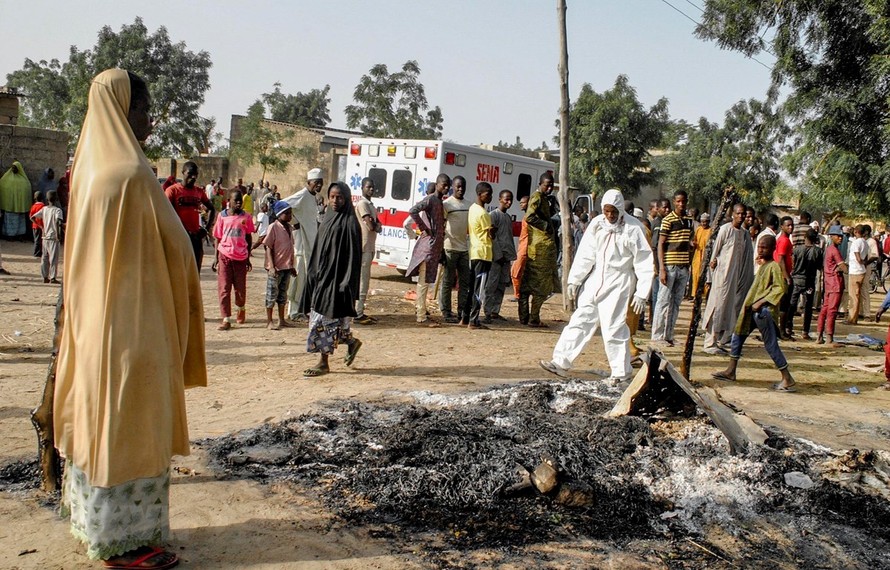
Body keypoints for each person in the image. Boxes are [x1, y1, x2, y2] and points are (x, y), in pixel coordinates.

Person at [54, 68, 206, 570]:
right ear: (123, 108)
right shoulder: (132, 175)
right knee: (132, 427)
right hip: (134, 325)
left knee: (97, 420)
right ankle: (130, 545)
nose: (148, 120)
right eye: (143, 109)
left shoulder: (88, 169)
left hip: (93, 325)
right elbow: (177, 247)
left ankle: (95, 527)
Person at [539, 189, 653, 383]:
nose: (610, 215)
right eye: (607, 211)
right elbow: (586, 253)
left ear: (620, 210)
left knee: (613, 326)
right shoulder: (597, 224)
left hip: (619, 280)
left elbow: (644, 260)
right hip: (596, 278)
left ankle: (621, 373)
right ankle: (561, 362)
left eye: (614, 211)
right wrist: (575, 279)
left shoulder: (633, 228)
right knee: (581, 319)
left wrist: (642, 292)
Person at [711, 234, 796, 391]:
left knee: (770, 344)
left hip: (763, 312)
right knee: (737, 336)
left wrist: (761, 302)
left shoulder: (774, 266)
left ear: (772, 249)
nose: (761, 250)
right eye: (759, 247)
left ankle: (787, 378)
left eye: (764, 248)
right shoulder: (763, 265)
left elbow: (779, 288)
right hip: (751, 310)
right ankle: (731, 370)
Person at [299, 182, 363, 377]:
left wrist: (347, 282)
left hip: (337, 282)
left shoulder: (350, 223)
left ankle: (323, 362)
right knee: (333, 320)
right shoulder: (328, 218)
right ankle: (351, 342)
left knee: (324, 320)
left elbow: (353, 257)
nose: (335, 201)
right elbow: (319, 249)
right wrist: (312, 274)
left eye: (340, 197)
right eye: (332, 197)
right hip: (322, 278)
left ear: (346, 199)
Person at [702, 203, 754, 354]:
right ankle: (709, 343)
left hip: (734, 278)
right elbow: (714, 255)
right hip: (721, 277)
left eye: (743, 214)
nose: (741, 216)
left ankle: (719, 340)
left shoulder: (743, 234)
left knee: (728, 310)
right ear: (733, 214)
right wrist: (710, 277)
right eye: (738, 213)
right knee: (716, 308)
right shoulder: (725, 229)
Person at [652, 190, 693, 346]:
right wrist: (662, 268)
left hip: (683, 267)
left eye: (683, 201)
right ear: (674, 202)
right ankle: (657, 336)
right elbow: (661, 244)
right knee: (663, 301)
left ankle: (669, 335)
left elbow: (688, 241)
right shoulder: (668, 220)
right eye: (678, 201)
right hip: (670, 266)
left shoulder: (689, 220)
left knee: (676, 303)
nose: (681, 204)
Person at [407, 173, 449, 325]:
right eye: (444, 185)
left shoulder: (439, 202)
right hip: (427, 247)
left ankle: (423, 311)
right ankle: (420, 315)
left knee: (428, 281)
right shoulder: (430, 199)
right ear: (437, 184)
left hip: (435, 247)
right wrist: (424, 227)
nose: (446, 188)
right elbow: (413, 210)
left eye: (448, 186)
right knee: (423, 282)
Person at [212, 189, 255, 330]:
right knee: (224, 288)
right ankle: (226, 318)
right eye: (235, 200)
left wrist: (248, 257)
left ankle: (241, 308)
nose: (238, 203)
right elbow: (217, 237)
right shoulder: (222, 216)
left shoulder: (246, 217)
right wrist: (215, 258)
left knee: (240, 289)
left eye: (240, 201)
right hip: (224, 256)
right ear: (229, 201)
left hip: (240, 257)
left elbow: (248, 237)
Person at [284, 169, 324, 321]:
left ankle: (301, 308)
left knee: (306, 278)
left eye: (321, 182)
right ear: (309, 182)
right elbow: (282, 205)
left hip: (310, 244)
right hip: (301, 244)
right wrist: (294, 222)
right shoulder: (302, 194)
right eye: (316, 182)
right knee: (298, 277)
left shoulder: (313, 198)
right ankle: (293, 311)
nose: (319, 185)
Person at [519, 172, 557, 327]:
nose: (549, 188)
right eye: (547, 185)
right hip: (540, 250)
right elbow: (529, 217)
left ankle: (524, 317)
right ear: (540, 184)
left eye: (551, 186)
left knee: (527, 284)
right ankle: (533, 318)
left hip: (538, 248)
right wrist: (545, 226)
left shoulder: (543, 198)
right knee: (541, 287)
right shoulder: (536, 197)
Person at [165, 161, 215, 270]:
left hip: (195, 237)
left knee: (195, 269)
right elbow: (164, 213)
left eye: (195, 174)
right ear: (183, 172)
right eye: (190, 173)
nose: (193, 177)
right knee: (178, 270)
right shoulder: (172, 191)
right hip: (178, 237)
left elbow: (211, 208)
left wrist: (206, 229)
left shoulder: (199, 192)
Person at [440, 175, 473, 324]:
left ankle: (462, 311)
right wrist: (441, 249)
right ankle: (446, 311)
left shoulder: (469, 205)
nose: (460, 189)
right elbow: (441, 227)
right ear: (453, 187)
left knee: (464, 283)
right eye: (458, 186)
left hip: (464, 249)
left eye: (463, 186)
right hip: (449, 248)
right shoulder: (446, 205)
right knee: (447, 281)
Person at [484, 189, 516, 322]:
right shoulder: (494, 215)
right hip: (496, 258)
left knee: (501, 285)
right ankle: (487, 311)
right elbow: (492, 237)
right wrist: (498, 255)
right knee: (491, 285)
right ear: (500, 199)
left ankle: (495, 311)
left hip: (506, 258)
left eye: (510, 199)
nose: (509, 202)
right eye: (506, 199)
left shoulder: (507, 217)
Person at [264, 200, 296, 330]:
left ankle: (281, 320)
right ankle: (269, 321)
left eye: (290, 213)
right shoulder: (273, 227)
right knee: (271, 294)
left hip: (286, 267)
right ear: (279, 214)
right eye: (287, 213)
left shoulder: (289, 228)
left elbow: (290, 248)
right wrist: (272, 266)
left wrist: (292, 266)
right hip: (276, 268)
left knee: (283, 295)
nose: (290, 216)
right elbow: (268, 247)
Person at [354, 177, 381, 325]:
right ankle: (358, 313)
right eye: (368, 187)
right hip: (364, 247)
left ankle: (360, 310)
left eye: (372, 187)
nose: (371, 189)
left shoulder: (370, 204)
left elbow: (376, 224)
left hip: (369, 246)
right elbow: (371, 226)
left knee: (365, 280)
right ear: (362, 188)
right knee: (362, 281)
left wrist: (376, 225)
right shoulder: (363, 204)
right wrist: (376, 225)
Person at [787, 228, 823, 339]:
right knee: (808, 306)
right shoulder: (818, 251)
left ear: (805, 237)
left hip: (797, 280)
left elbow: (792, 264)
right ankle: (805, 331)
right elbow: (819, 266)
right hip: (809, 282)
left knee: (792, 304)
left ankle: (788, 327)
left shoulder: (797, 250)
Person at [467, 182, 494, 329]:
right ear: (480, 194)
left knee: (472, 286)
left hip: (474, 251)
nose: (490, 197)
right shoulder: (484, 214)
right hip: (483, 253)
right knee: (479, 289)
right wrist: (493, 230)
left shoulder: (472, 208)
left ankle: (466, 317)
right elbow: (491, 234)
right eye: (488, 194)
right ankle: (474, 320)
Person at [817, 225, 847, 344]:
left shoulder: (829, 249)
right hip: (835, 284)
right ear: (831, 236)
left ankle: (819, 335)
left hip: (828, 283)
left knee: (825, 309)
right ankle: (829, 337)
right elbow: (844, 268)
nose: (840, 238)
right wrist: (844, 267)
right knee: (832, 310)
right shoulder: (835, 250)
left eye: (841, 236)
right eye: (838, 236)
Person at [31, 190, 64, 284]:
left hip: (45, 236)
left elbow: (32, 217)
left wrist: (41, 227)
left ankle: (44, 277)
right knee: (53, 258)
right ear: (56, 199)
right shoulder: (58, 210)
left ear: (47, 199)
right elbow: (59, 222)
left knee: (44, 258)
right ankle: (52, 277)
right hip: (54, 237)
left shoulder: (44, 209)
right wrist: (59, 235)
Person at [0, 160, 32, 238]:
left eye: (15, 168)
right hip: (9, 206)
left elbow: (27, 190)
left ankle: (19, 235)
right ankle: (9, 235)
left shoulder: (24, 180)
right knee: (9, 221)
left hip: (20, 207)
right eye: (13, 168)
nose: (14, 169)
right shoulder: (6, 178)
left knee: (19, 222)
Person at [775, 216, 795, 337]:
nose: (790, 227)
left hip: (783, 274)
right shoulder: (784, 241)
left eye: (792, 225)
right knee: (784, 304)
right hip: (783, 275)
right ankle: (782, 332)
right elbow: (781, 259)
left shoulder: (785, 239)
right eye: (788, 225)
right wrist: (786, 276)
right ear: (782, 226)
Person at [846, 224, 869, 324]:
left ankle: (852, 319)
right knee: (857, 295)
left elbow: (858, 258)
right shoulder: (865, 242)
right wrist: (864, 263)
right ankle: (854, 317)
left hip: (855, 271)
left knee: (853, 296)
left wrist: (861, 262)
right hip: (861, 271)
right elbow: (865, 258)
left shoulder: (856, 243)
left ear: (856, 231)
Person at [510, 194, 530, 301]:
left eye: (523, 202)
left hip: (525, 248)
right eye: (520, 202)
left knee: (515, 271)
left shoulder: (530, 217)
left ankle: (517, 295)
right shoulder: (527, 216)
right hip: (522, 246)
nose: (521, 204)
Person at [690, 212, 712, 298]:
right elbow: (694, 240)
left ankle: (706, 295)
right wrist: (693, 243)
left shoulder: (711, 230)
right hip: (697, 254)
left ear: (709, 222)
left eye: (706, 221)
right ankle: (695, 294)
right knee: (695, 274)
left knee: (706, 275)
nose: (704, 223)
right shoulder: (698, 229)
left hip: (706, 255)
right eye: (702, 221)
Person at [29, 191, 45, 257]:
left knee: (36, 239)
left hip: (34, 226)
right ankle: (37, 253)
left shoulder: (33, 206)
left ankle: (37, 252)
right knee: (39, 240)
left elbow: (30, 216)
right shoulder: (43, 206)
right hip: (40, 226)